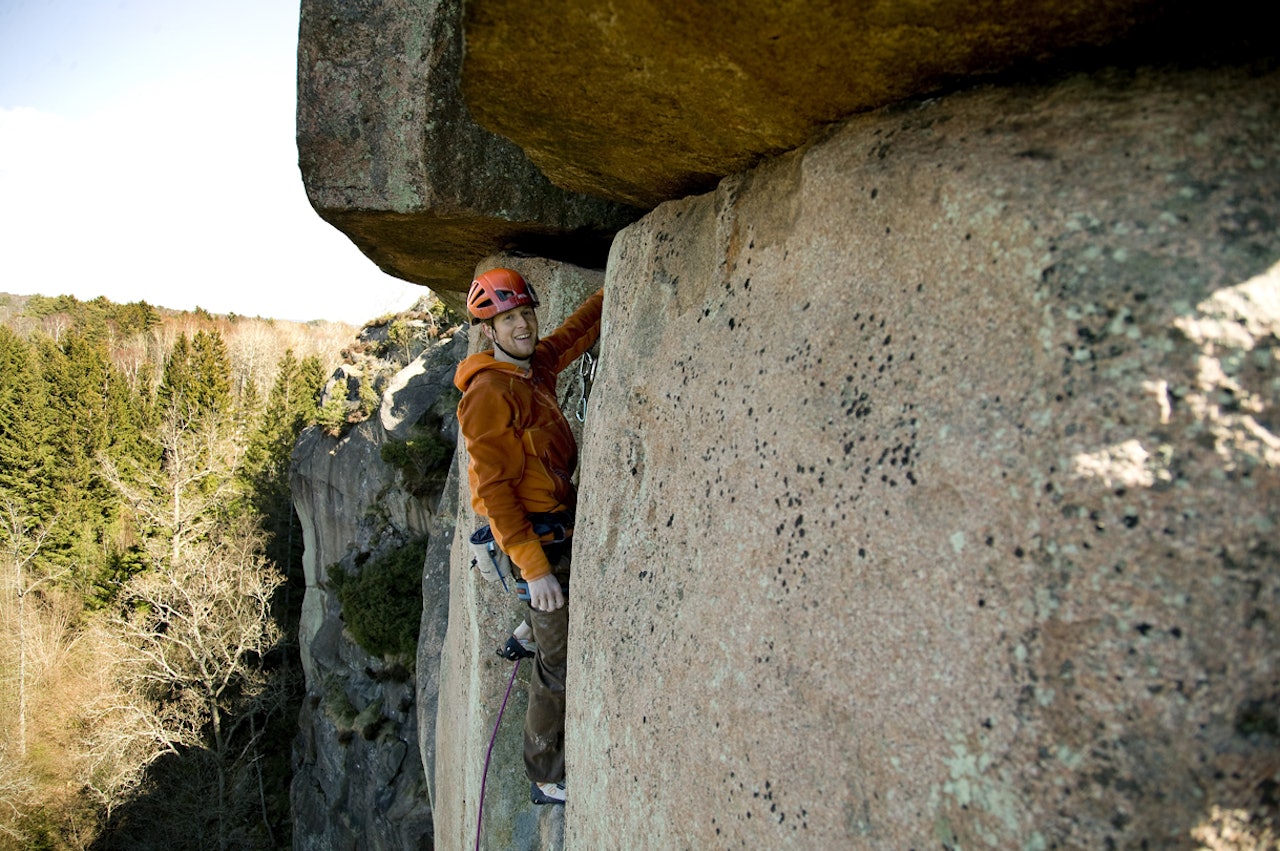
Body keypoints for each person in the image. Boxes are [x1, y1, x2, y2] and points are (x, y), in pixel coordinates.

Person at [454, 266, 603, 806]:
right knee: (557, 662)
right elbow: (495, 492)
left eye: (524, 313)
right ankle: (544, 773)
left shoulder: (533, 367)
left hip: (553, 523)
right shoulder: (488, 393)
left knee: (548, 622)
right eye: (508, 318)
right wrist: (536, 570)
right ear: (487, 331)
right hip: (531, 540)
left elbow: (572, 335)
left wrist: (621, 287)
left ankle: (528, 623)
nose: (522, 325)